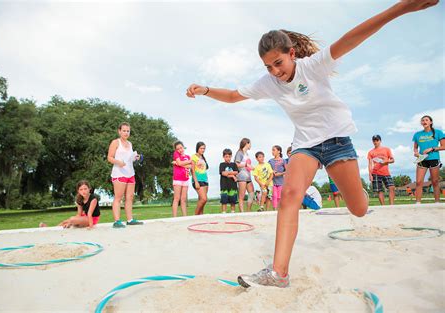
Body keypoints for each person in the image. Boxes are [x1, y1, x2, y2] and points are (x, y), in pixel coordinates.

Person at [186, 0, 438, 288]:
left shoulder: (313, 66)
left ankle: (364, 202)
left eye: (278, 63)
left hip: (338, 142)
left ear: (292, 53)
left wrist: (403, 7)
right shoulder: (268, 83)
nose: (274, 71)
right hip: (306, 146)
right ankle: (278, 273)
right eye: (268, 66)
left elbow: (352, 37)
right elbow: (233, 96)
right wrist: (205, 89)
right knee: (291, 195)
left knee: (357, 207)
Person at [107, 122, 143, 228]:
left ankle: (130, 219)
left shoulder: (130, 144)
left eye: (128, 131)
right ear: (119, 131)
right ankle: (117, 221)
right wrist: (119, 162)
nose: (126, 133)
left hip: (130, 173)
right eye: (124, 131)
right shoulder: (115, 142)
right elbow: (109, 157)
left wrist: (135, 157)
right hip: (119, 173)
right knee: (118, 197)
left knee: (130, 197)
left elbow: (129, 158)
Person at [413, 115, 444, 203]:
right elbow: (415, 148)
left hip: (434, 158)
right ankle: (418, 203)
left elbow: (443, 146)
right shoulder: (417, 134)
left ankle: (437, 202)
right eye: (422, 120)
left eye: (426, 120)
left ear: (430, 122)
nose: (424, 121)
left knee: (435, 181)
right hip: (422, 159)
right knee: (418, 182)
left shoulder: (438, 132)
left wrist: (432, 148)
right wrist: (416, 153)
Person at [367, 134, 395, 205]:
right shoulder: (370, 152)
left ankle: (391, 205)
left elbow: (392, 160)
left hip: (386, 172)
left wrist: (386, 161)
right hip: (375, 172)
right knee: (379, 190)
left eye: (377, 140)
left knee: (391, 187)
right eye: (374, 140)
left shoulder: (386, 149)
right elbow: (370, 164)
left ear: (380, 141)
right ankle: (383, 206)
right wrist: (370, 174)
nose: (375, 142)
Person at [234, 138, 254, 212]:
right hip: (242, 177)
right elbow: (237, 164)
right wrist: (246, 164)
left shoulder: (247, 154)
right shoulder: (239, 153)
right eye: (250, 143)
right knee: (241, 196)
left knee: (251, 193)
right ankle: (242, 212)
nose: (251, 145)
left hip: (248, 176)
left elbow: (247, 165)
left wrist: (251, 167)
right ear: (246, 144)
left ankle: (248, 211)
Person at [172, 141, 191, 217]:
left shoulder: (188, 156)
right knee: (177, 198)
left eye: (181, 147)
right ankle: (174, 217)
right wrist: (188, 162)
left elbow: (190, 166)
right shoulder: (176, 154)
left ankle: (185, 217)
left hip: (185, 179)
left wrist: (178, 163)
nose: (180, 149)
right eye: (178, 149)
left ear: (183, 147)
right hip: (178, 179)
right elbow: (183, 163)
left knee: (183, 199)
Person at [192, 142, 209, 215]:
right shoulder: (194, 157)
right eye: (201, 148)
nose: (203, 150)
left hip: (205, 180)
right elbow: (192, 170)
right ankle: (195, 215)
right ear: (197, 148)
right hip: (198, 180)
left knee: (201, 199)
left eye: (204, 148)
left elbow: (205, 168)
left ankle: (201, 216)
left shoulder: (203, 157)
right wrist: (196, 182)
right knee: (204, 199)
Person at [219, 149, 239, 213]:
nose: (228, 158)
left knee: (233, 200)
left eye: (229, 156)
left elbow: (236, 172)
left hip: (233, 186)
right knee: (224, 200)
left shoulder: (234, 164)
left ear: (231, 156)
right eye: (226, 157)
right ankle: (224, 212)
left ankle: (232, 212)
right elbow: (223, 173)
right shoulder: (222, 164)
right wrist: (232, 176)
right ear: (223, 157)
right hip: (224, 186)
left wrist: (229, 173)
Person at [268, 146, 287, 210]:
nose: (272, 152)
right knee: (274, 196)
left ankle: (280, 210)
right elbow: (267, 170)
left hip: (281, 182)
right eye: (272, 150)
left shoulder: (283, 161)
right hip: (272, 182)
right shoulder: (270, 161)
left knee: (279, 196)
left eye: (274, 150)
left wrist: (280, 174)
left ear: (279, 151)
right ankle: (275, 210)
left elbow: (287, 171)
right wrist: (272, 171)